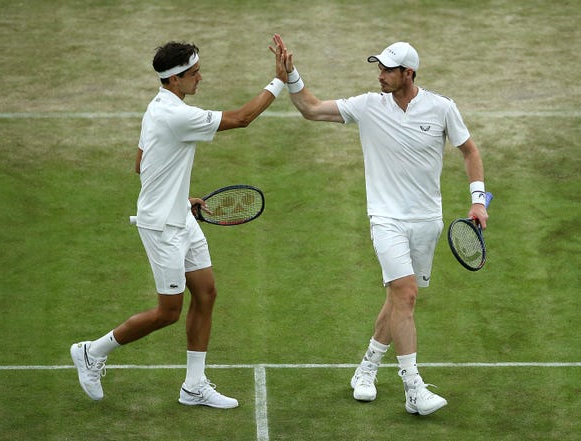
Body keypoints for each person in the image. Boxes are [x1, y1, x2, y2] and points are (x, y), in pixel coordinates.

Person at [273, 35, 488, 415]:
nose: (381, 76)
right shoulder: (368, 106)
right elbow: (311, 109)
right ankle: (413, 389)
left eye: (388, 69)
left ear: (409, 72)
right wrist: (291, 75)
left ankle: (367, 368)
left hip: (427, 222)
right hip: (386, 219)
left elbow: (469, 150)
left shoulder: (441, 108)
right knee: (404, 294)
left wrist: (477, 198)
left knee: (401, 300)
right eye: (379, 68)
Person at [70, 38, 288, 408]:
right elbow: (242, 119)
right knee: (168, 312)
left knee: (206, 293)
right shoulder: (176, 115)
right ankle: (93, 351)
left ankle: (194, 385)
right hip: (162, 228)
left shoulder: (157, 109)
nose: (199, 78)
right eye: (193, 74)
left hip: (180, 218)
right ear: (173, 80)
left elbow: (142, 163)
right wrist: (279, 80)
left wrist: (179, 199)